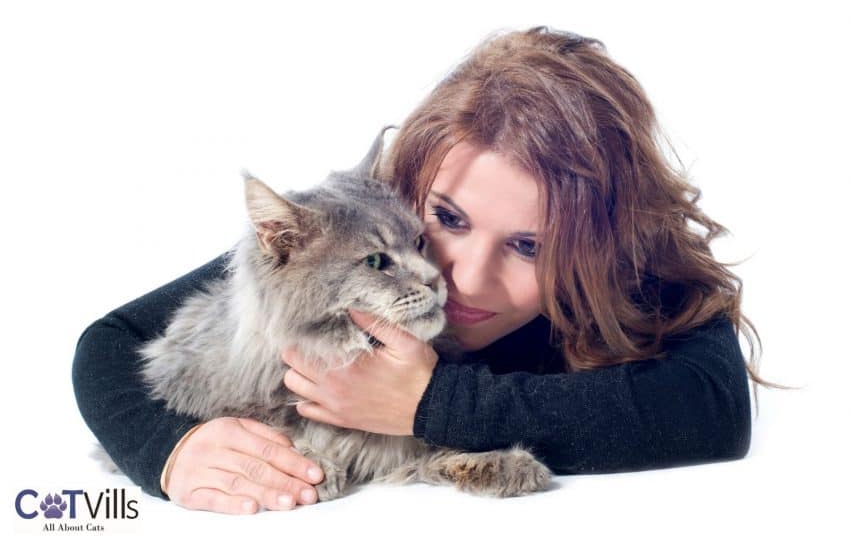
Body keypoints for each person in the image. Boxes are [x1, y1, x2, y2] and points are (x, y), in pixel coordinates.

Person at [72, 26, 783, 515]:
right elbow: (107, 340)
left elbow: (714, 410)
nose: (465, 278)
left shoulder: (623, 270)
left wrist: (433, 402)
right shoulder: (365, 221)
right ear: (410, 185)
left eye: (529, 247)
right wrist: (167, 451)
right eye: (449, 219)